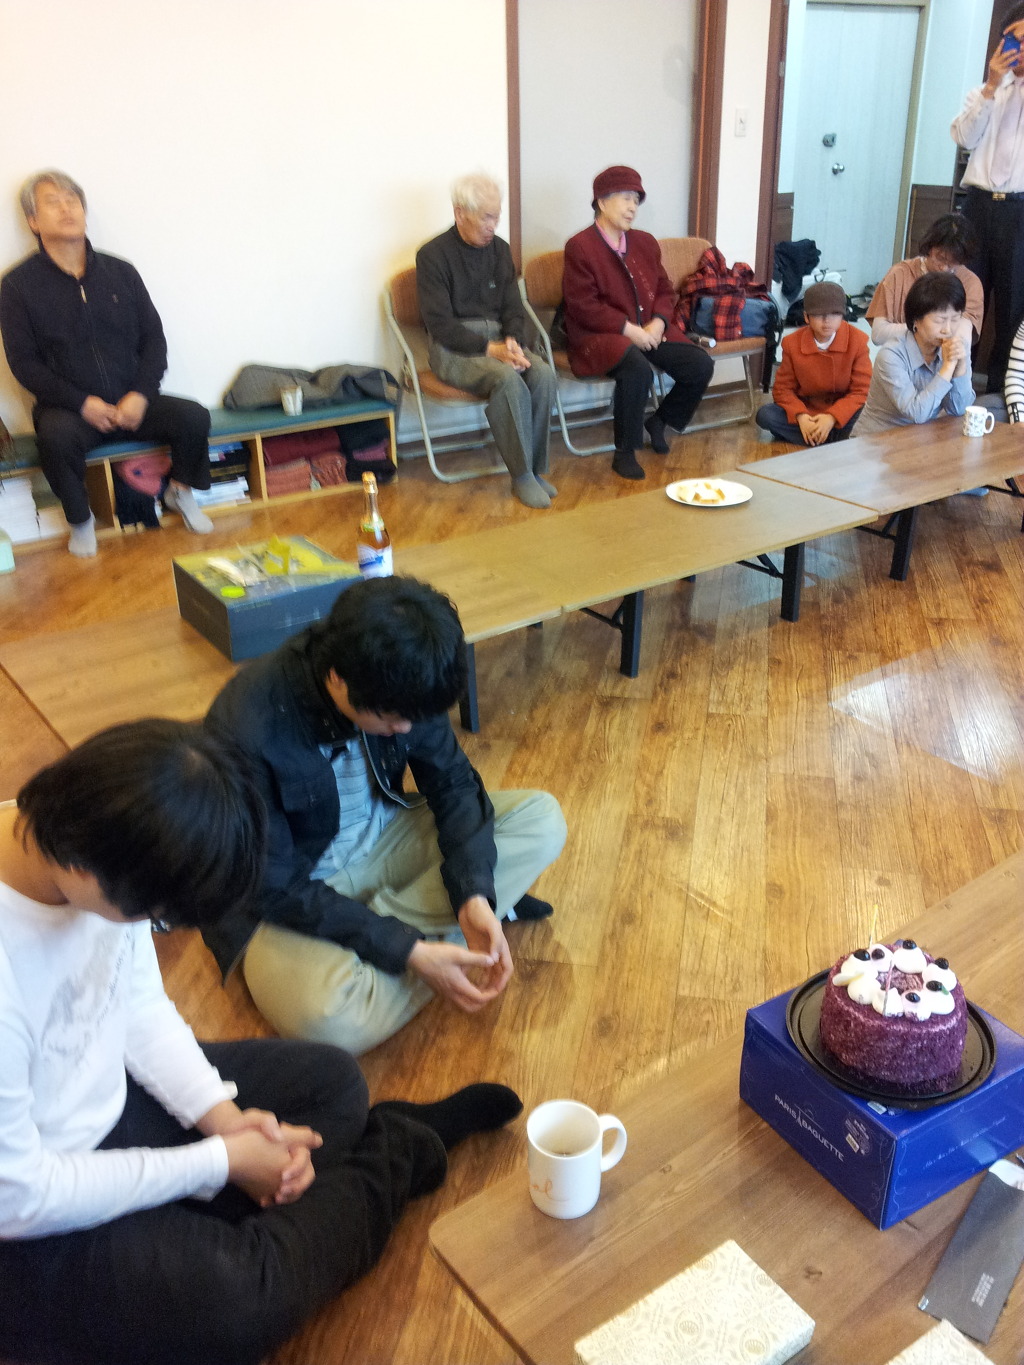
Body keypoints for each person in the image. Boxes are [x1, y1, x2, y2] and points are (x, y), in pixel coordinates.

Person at [0, 719, 523, 1365]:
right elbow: (20, 1195)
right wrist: (220, 1160)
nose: (151, 926)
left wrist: (224, 1119)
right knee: (237, 1299)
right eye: (152, 915)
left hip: (104, 1098)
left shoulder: (98, 830)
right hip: (26, 1214)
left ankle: (223, 1225)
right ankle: (397, 1149)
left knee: (333, 1085)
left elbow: (135, 1007)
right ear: (87, 867)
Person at [203, 574, 567, 1057]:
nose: (406, 728)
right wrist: (407, 948)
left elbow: (454, 784)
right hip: (293, 895)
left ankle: (412, 944)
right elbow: (272, 886)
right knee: (327, 1018)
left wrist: (474, 894)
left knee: (542, 820)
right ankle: (431, 947)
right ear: (338, 677)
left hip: (386, 838)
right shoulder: (245, 724)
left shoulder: (406, 677)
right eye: (392, 719)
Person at [0, 171, 214, 558]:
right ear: (33, 221)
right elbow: (24, 363)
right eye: (53, 202)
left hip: (131, 401)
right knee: (55, 438)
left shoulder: (121, 272)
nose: (67, 208)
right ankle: (81, 521)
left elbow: (154, 340)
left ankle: (180, 493)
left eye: (73, 200)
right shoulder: (17, 286)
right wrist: (83, 404)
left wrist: (141, 394)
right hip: (71, 410)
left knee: (194, 417)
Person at [561, 166, 714, 481]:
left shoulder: (644, 242)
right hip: (599, 335)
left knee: (699, 364)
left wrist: (658, 323)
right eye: (625, 199)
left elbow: (664, 290)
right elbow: (582, 306)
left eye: (636, 200)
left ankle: (660, 421)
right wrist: (629, 330)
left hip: (648, 329)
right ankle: (625, 452)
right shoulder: (580, 246)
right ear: (602, 202)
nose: (633, 207)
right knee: (637, 368)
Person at [416, 173, 558, 509]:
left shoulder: (500, 250)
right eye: (486, 217)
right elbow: (440, 325)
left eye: (497, 217)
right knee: (506, 377)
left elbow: (513, 308)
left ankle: (535, 469)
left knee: (542, 373)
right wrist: (490, 350)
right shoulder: (432, 255)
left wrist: (513, 342)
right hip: (452, 349)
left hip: (497, 341)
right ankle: (521, 476)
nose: (492, 226)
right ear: (460, 213)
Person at [951, 4, 1024, 392]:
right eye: (1015, 39)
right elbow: (964, 138)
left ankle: (1001, 392)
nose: (1020, 48)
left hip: (1021, 211)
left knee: (1015, 306)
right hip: (977, 206)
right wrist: (991, 88)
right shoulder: (981, 93)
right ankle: (955, 387)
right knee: (964, 298)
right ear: (1001, 43)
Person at [855, 271, 975, 438]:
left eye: (955, 319)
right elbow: (917, 413)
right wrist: (948, 368)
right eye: (939, 320)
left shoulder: (957, 346)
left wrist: (960, 367)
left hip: (921, 440)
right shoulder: (891, 356)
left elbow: (959, 409)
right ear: (916, 320)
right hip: (876, 441)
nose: (948, 329)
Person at [755, 280, 872, 446]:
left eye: (834, 313)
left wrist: (832, 417)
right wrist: (801, 417)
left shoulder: (857, 341)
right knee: (766, 415)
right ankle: (830, 439)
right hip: (808, 412)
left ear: (842, 315)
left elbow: (861, 391)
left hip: (841, 414)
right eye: (818, 314)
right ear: (806, 317)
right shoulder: (792, 343)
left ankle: (816, 438)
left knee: (866, 413)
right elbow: (783, 389)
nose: (827, 320)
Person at [865, 213, 983, 349]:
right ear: (929, 247)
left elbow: (963, 339)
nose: (944, 268)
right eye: (940, 258)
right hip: (901, 355)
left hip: (945, 358)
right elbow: (878, 334)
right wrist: (923, 328)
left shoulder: (970, 283)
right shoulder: (900, 274)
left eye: (953, 263)